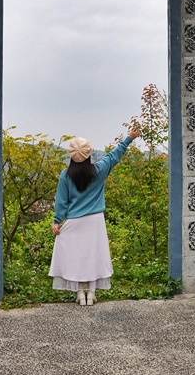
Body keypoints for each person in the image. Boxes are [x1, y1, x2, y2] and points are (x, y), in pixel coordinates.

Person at [49, 130, 140, 306]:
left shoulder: (65, 175)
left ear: (72, 156)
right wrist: (129, 138)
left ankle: (80, 294)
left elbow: (61, 200)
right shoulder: (99, 170)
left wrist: (57, 221)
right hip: (95, 221)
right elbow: (115, 155)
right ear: (89, 154)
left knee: (75, 257)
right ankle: (91, 294)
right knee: (93, 256)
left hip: (75, 221)